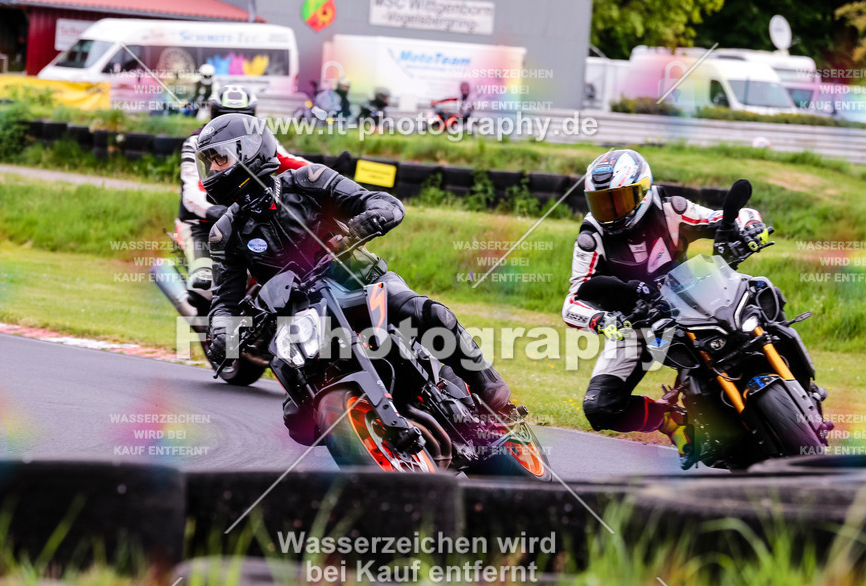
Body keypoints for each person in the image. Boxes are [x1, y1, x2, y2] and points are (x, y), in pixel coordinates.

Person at [199, 114, 513, 425]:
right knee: (298, 418)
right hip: (306, 319)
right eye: (209, 161)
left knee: (427, 314)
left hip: (363, 283)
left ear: (251, 149)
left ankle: (487, 383)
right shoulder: (225, 233)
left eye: (219, 158)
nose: (212, 169)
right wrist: (222, 331)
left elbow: (378, 201)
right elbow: (224, 302)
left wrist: (375, 216)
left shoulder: (310, 181)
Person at [561, 149, 772, 460]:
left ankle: (787, 371)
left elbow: (727, 217)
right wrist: (602, 320)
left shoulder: (671, 208)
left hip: (693, 298)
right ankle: (671, 420)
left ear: (643, 190)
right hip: (637, 322)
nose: (611, 211)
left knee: (760, 289)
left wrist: (751, 225)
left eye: (619, 199)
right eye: (602, 203)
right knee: (599, 407)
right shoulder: (592, 236)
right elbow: (573, 300)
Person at [178, 85, 307, 295]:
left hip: (250, 220)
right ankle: (212, 321)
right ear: (213, 114)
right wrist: (213, 212)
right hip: (202, 223)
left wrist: (324, 174)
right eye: (225, 116)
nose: (233, 124)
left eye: (241, 116)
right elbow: (191, 193)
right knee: (205, 284)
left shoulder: (261, 138)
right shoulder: (196, 142)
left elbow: (291, 162)